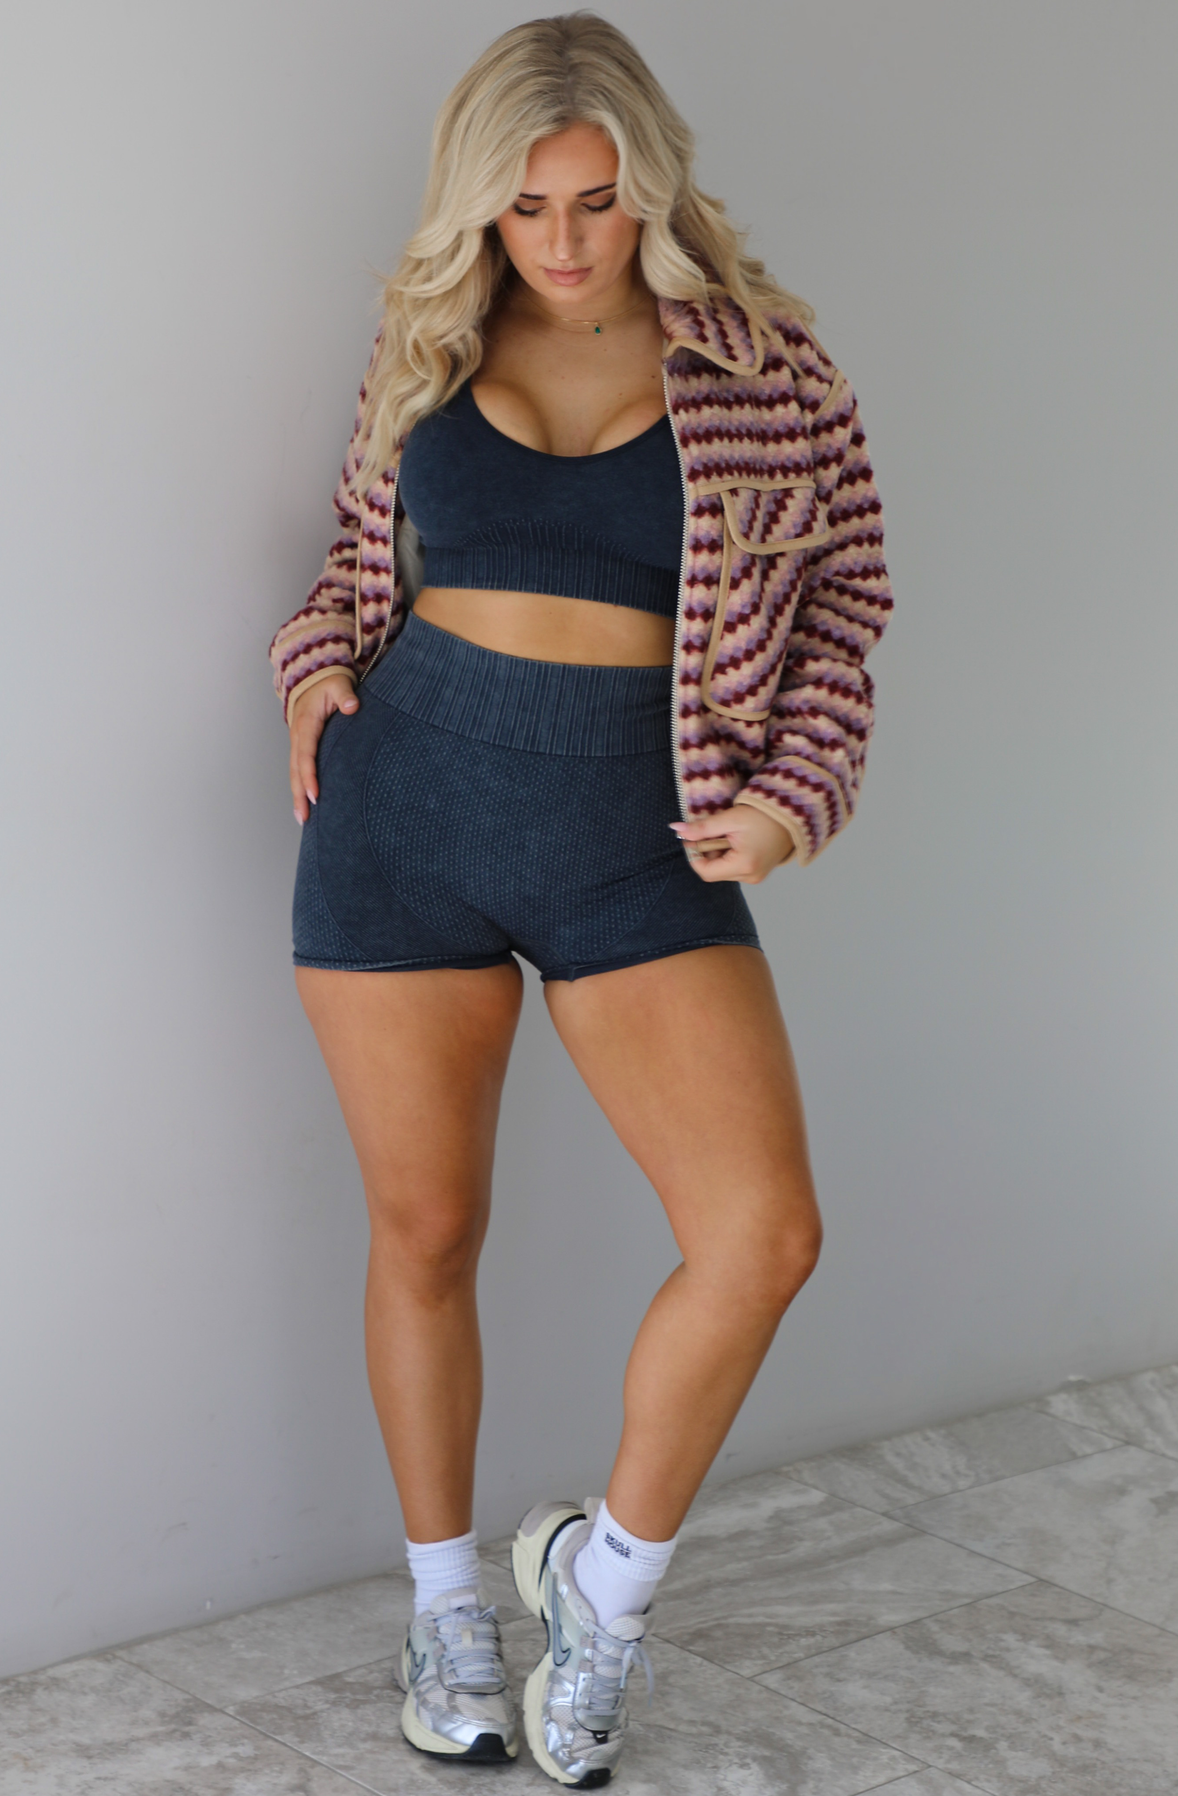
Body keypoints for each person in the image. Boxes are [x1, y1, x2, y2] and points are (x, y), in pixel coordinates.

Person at [269, 12, 892, 1785]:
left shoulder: (770, 366)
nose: (561, 239)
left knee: (762, 1234)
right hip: (405, 818)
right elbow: (348, 565)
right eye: (527, 205)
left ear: (652, 191)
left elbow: (848, 602)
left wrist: (790, 802)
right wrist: (315, 663)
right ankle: (448, 1602)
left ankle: (598, 1594)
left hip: (639, 831)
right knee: (428, 1233)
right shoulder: (425, 342)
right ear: (479, 205)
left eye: (598, 203)